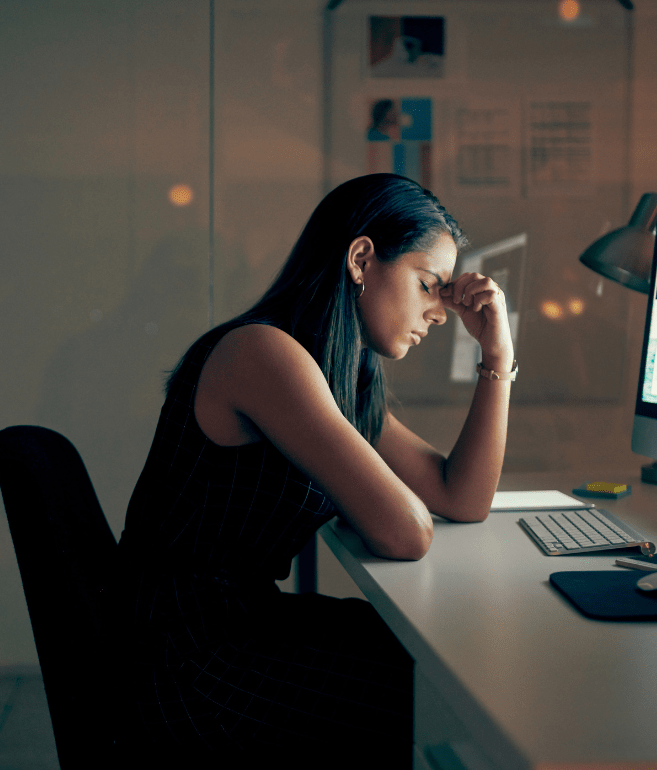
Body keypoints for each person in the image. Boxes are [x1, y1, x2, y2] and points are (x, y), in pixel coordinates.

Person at [113, 173, 513, 766]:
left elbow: (461, 497)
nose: (438, 314)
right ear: (361, 259)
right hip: (182, 656)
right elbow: (407, 533)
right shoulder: (263, 354)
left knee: (436, 660)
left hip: (233, 626)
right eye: (429, 286)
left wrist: (498, 357)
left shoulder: (337, 375)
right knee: (437, 690)